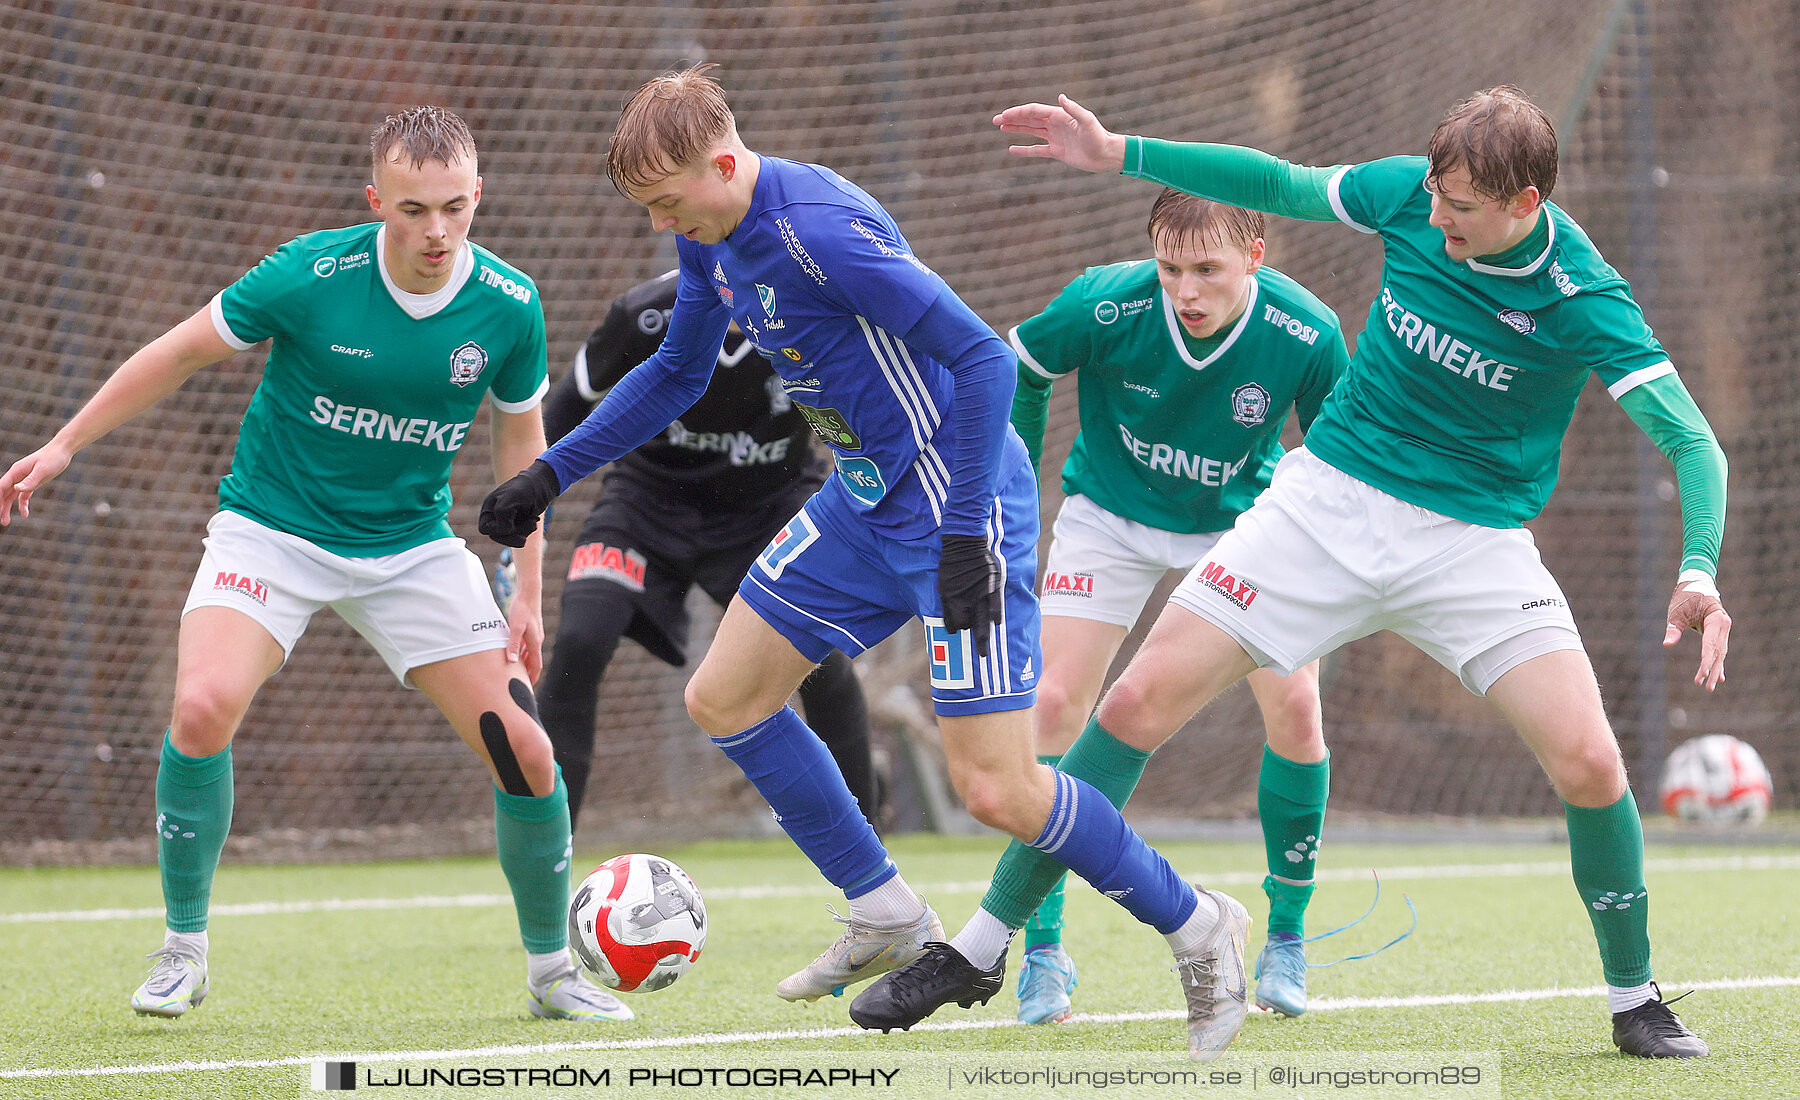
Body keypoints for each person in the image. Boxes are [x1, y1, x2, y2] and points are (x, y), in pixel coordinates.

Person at [481, 65, 1255, 1061]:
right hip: (859, 498)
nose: (664, 223)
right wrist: (551, 473)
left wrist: (970, 528)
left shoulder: (820, 235)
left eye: (670, 200)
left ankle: (1200, 924)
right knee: (724, 696)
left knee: (998, 788)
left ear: (724, 161)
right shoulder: (708, 225)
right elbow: (676, 371)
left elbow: (982, 357)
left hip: (952, 505)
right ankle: (884, 905)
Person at [955, 86, 1730, 1058]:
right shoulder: (1411, 195)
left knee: (1590, 761)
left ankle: (1634, 1000)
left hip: (1472, 539)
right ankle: (983, 943)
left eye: (1461, 210)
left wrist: (1698, 567)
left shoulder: (1583, 297)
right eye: (1435, 197)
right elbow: (1275, 182)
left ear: (1526, 204)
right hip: (1328, 502)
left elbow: (1692, 440)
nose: (1435, 218)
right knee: (1132, 701)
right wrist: (1122, 153)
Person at [0, 107, 630, 1025]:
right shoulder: (308, 273)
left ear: (479, 195)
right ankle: (183, 952)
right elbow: (178, 352)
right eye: (413, 209)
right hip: (271, 531)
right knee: (201, 707)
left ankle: (551, 975)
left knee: (526, 750)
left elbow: (521, 455)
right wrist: (63, 445)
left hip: (412, 548)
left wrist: (525, 588)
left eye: (455, 207)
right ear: (378, 200)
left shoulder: (509, 303)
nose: (437, 231)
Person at [1001, 187, 1348, 1026]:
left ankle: (1288, 937)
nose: (1184, 291)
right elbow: (1022, 370)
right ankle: (1043, 952)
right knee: (1048, 702)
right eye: (1168, 268)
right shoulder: (1104, 301)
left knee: (1297, 707)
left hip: (1241, 527)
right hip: (1108, 516)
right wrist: (1009, 501)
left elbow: (1339, 455)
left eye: (1207, 269)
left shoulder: (1308, 333)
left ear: (1256, 257)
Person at [530, 271, 880, 830]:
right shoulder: (645, 315)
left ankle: (871, 858)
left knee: (822, 663)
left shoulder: (822, 312)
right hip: (646, 503)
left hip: (766, 506)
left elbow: (872, 423)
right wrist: (529, 509)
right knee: (578, 643)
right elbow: (557, 417)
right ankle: (549, 856)